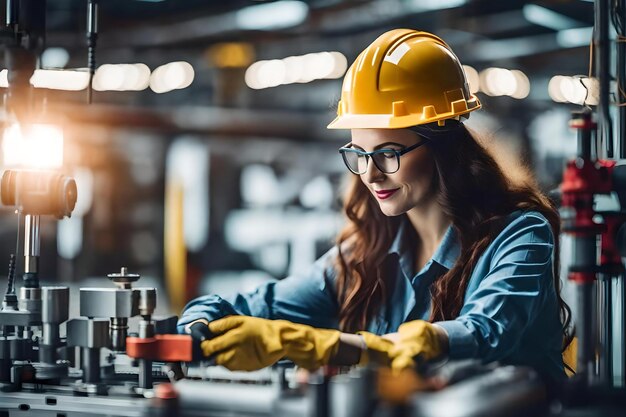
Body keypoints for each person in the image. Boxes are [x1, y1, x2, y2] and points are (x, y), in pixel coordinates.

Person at [177, 29, 572, 381]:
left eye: (387, 152)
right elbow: (252, 306)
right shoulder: (365, 253)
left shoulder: (519, 235)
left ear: (443, 144)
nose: (370, 174)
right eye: (358, 153)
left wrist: (330, 346)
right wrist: (198, 323)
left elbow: (485, 331)